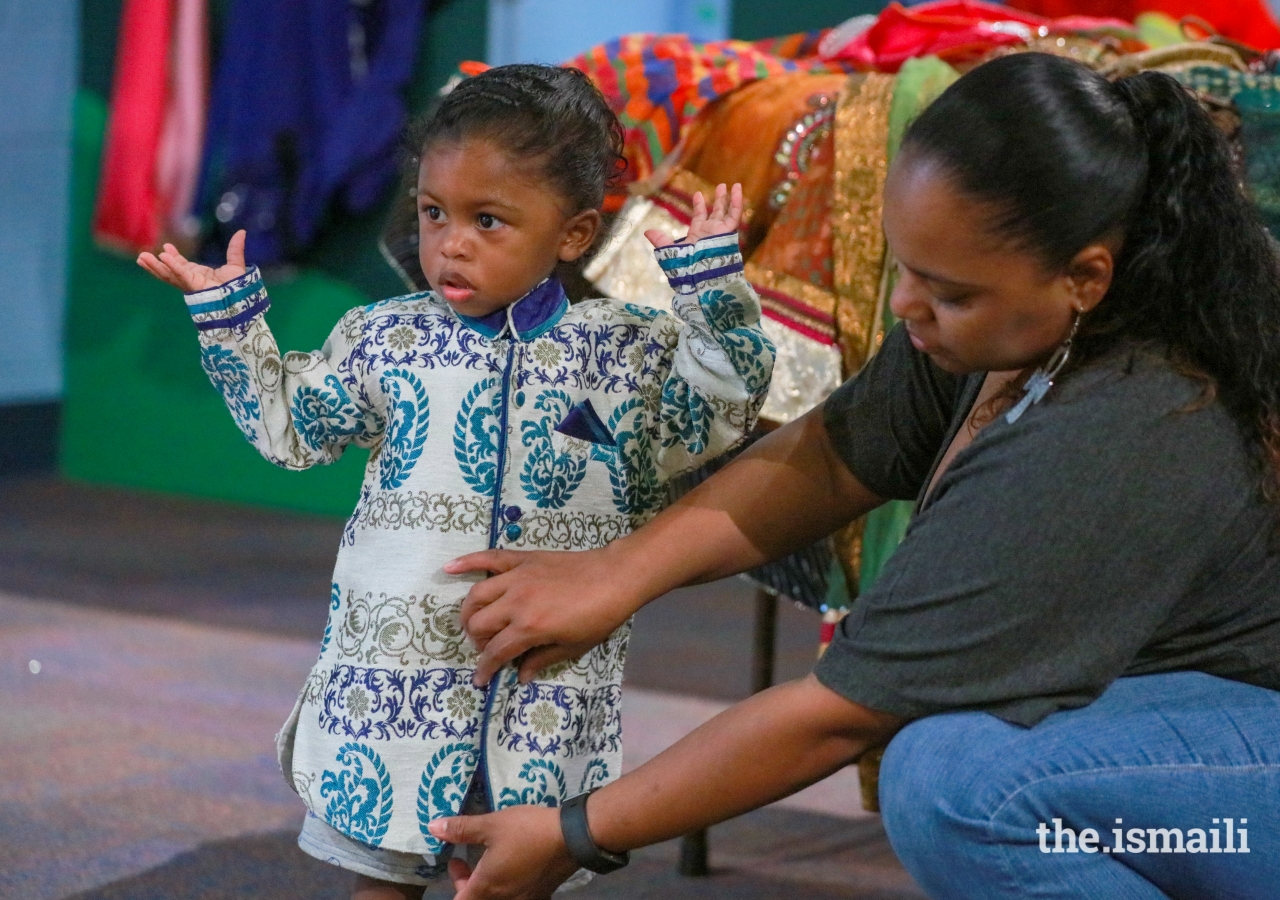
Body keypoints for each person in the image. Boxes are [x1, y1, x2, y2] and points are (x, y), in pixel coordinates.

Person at [428, 52, 1280, 899]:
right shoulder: (1002, 324)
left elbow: (837, 715)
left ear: (1085, 275)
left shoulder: (1124, 424)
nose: (906, 307)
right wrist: (616, 574)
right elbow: (837, 453)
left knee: (962, 787)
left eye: (945, 292)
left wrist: (573, 833)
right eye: (902, 267)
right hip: (1194, 722)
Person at [136, 64, 774, 899]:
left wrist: (712, 287)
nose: (451, 243)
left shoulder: (627, 351)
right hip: (394, 690)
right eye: (434, 213)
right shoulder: (382, 339)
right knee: (379, 878)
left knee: (513, 879)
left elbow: (720, 405)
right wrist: (233, 325)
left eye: (488, 220)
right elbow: (293, 428)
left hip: (544, 688)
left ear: (574, 233)